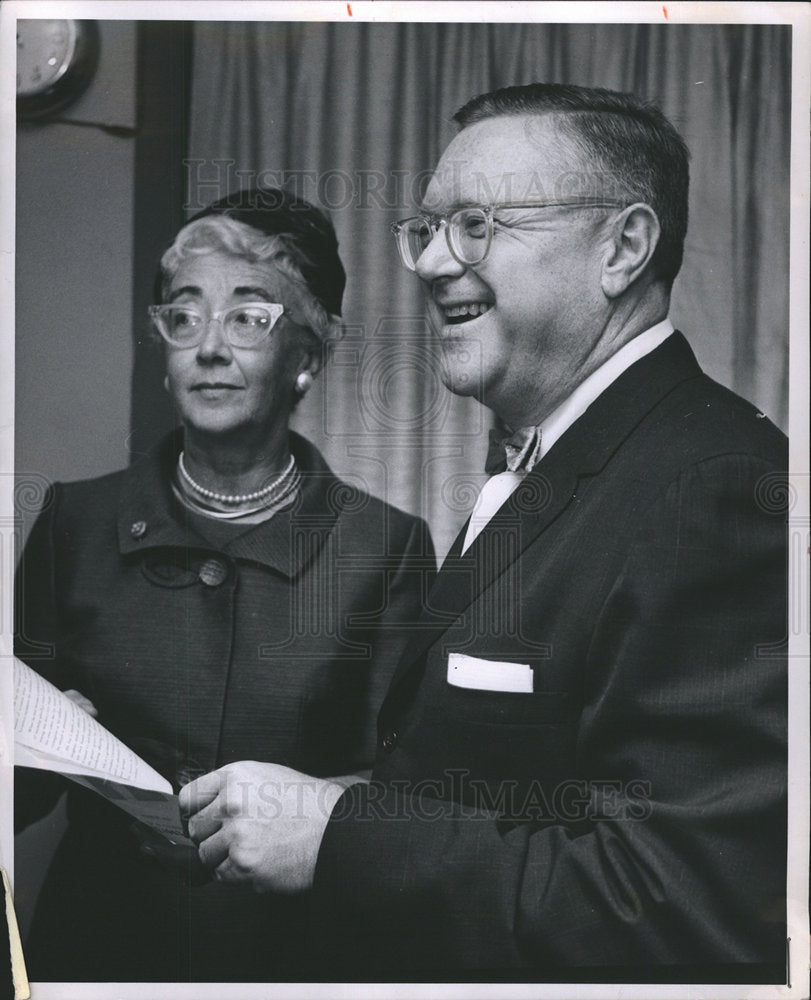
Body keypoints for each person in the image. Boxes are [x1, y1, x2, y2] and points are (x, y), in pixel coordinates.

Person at [180, 85, 788, 982]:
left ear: (621, 247)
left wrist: (340, 837)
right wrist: (353, 799)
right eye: (424, 228)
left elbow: (678, 903)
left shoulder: (714, 486)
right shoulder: (564, 456)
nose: (429, 262)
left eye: (475, 224)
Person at [14, 187, 433, 982]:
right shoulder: (74, 521)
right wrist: (25, 751)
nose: (209, 346)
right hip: (97, 949)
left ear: (306, 356)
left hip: (297, 961)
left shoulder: (385, 546)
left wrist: (318, 806)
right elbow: (16, 797)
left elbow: (412, 790)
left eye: (248, 317)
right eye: (185, 314)